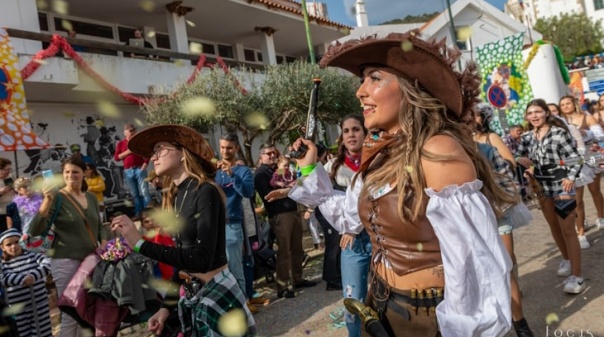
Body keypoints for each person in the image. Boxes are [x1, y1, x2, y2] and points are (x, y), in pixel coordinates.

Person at [271, 31, 515, 336]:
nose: (360, 92)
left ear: (410, 89)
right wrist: (309, 169)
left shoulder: (437, 150)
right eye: (362, 80)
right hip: (382, 303)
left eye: (374, 78)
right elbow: (349, 218)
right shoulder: (381, 155)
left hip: (430, 315)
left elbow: (477, 268)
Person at [110, 124, 256, 336]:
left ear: (181, 152)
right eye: (153, 153)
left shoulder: (206, 191)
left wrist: (140, 244)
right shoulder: (179, 195)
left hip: (217, 293)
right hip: (196, 295)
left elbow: (201, 259)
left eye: (160, 149)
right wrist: (164, 308)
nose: (153, 157)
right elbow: (183, 262)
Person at [29, 157, 108, 337]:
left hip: (91, 261)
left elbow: (100, 227)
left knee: (89, 311)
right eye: (67, 172)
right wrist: (47, 200)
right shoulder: (57, 197)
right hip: (66, 262)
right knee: (71, 314)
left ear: (84, 173)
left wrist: (103, 242)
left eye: (75, 172)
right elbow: (35, 230)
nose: (70, 175)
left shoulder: (91, 197)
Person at [517, 99, 585, 294]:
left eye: (538, 111)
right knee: (553, 226)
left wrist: (571, 177)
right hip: (541, 186)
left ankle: (577, 276)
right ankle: (566, 259)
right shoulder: (527, 137)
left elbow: (576, 158)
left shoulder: (559, 133)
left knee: (568, 230)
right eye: (530, 113)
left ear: (546, 113)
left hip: (561, 184)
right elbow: (518, 156)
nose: (534, 116)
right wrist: (524, 166)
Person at [324, 114, 369, 337]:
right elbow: (313, 186)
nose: (351, 134)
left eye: (356, 129)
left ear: (365, 132)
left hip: (380, 239)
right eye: (347, 130)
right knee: (353, 300)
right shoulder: (333, 166)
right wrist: (288, 190)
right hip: (351, 243)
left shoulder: (379, 160)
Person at [254, 143, 317, 299]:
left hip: (293, 210)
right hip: (280, 215)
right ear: (261, 156)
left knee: (297, 248)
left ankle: (297, 278)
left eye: (274, 153)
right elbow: (269, 195)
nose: (272, 156)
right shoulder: (261, 173)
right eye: (268, 153)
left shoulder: (277, 169)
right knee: (284, 251)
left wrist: (297, 182)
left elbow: (293, 181)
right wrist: (289, 188)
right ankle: (283, 286)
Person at [214, 132, 257, 313]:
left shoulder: (242, 171)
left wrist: (232, 175)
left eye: (229, 148)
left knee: (234, 268)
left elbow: (248, 192)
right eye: (222, 147)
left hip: (232, 224)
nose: (225, 151)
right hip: (214, 226)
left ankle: (242, 309)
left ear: (237, 148)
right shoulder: (213, 169)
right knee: (218, 271)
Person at [559, 95, 604, 249]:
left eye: (567, 103)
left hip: (591, 156)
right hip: (574, 159)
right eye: (562, 104)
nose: (565, 106)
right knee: (577, 197)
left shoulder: (587, 117)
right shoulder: (560, 122)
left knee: (595, 190)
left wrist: (586, 133)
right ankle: (581, 228)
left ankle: (601, 216)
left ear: (574, 103)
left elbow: (600, 135)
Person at [0, 228, 53, 337]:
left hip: (40, 306)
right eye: (9, 244)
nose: (13, 246)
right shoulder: (2, 264)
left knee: (43, 333)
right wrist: (21, 280)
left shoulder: (33, 255)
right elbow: (2, 279)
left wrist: (33, 276)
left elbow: (48, 263)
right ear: (2, 247)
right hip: (17, 310)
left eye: (16, 242)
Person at [114, 123, 150, 218]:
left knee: (144, 191)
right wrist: (128, 152)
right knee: (134, 194)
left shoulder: (139, 142)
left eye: (134, 130)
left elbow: (147, 154)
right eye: (131, 131)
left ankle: (148, 213)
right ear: (125, 132)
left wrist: (144, 166)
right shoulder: (121, 144)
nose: (133, 132)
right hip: (128, 171)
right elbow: (117, 158)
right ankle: (139, 213)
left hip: (139, 168)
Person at [140, 207, 175, 281]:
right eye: (146, 221)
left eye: (153, 219)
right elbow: (155, 254)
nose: (151, 223)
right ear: (142, 225)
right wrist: (158, 237)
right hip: (159, 281)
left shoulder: (167, 236)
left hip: (174, 276)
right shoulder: (143, 241)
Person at [0, 158, 15, 232]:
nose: (8, 172)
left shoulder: (10, 176)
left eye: (10, 169)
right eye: (7, 169)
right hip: (2, 213)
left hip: (13, 210)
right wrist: (1, 192)